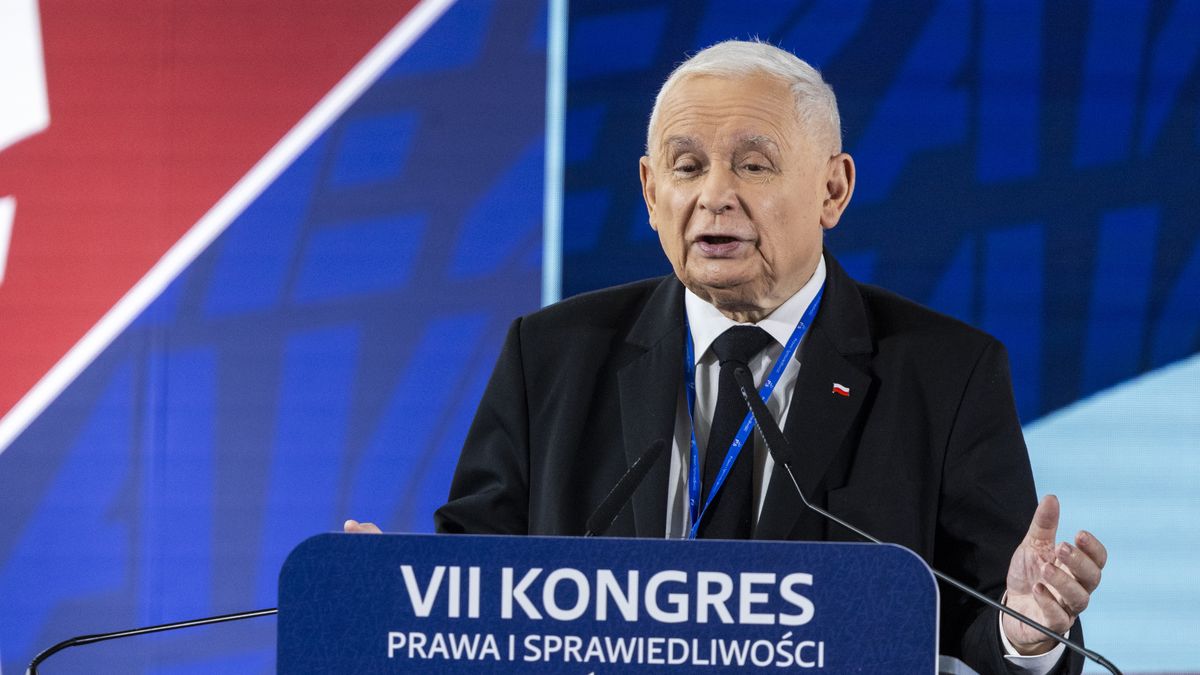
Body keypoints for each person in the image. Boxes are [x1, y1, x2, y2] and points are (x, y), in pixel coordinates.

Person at [348, 40, 1106, 674]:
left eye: (752, 164)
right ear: (650, 193)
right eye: (686, 166)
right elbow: (475, 591)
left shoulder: (946, 375)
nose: (714, 196)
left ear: (833, 189)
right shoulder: (549, 358)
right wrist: (399, 598)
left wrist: (1028, 630)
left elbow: (995, 620)